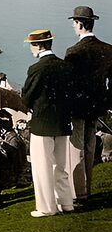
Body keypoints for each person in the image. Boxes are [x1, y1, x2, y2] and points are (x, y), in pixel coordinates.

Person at [21, 29, 75, 217]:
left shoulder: (36, 69)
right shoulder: (65, 66)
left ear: (38, 46)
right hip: (62, 123)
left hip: (42, 124)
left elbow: (27, 98)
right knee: (60, 166)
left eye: (31, 45)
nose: (31, 49)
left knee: (42, 167)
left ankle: (46, 207)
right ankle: (66, 202)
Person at [63, 6, 112, 207]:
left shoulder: (74, 52)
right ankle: (87, 188)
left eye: (75, 23)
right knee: (90, 147)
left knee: (77, 148)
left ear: (80, 24)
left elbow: (68, 83)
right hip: (97, 107)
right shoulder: (108, 49)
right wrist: (106, 101)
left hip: (78, 107)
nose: (74, 26)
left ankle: (79, 193)